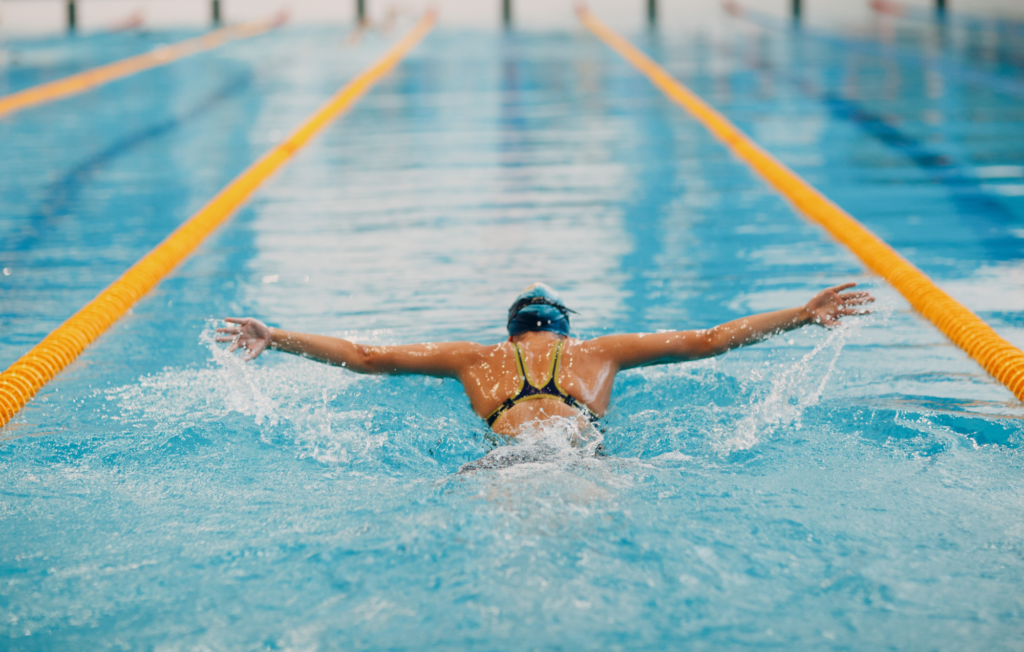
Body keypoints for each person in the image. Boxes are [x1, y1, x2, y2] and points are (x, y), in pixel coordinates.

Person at [217, 282, 874, 438]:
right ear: (562, 330)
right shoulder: (595, 353)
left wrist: (275, 335)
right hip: (577, 449)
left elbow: (366, 356)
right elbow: (709, 338)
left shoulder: (475, 359)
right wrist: (799, 314)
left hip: (502, 457)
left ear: (513, 332)